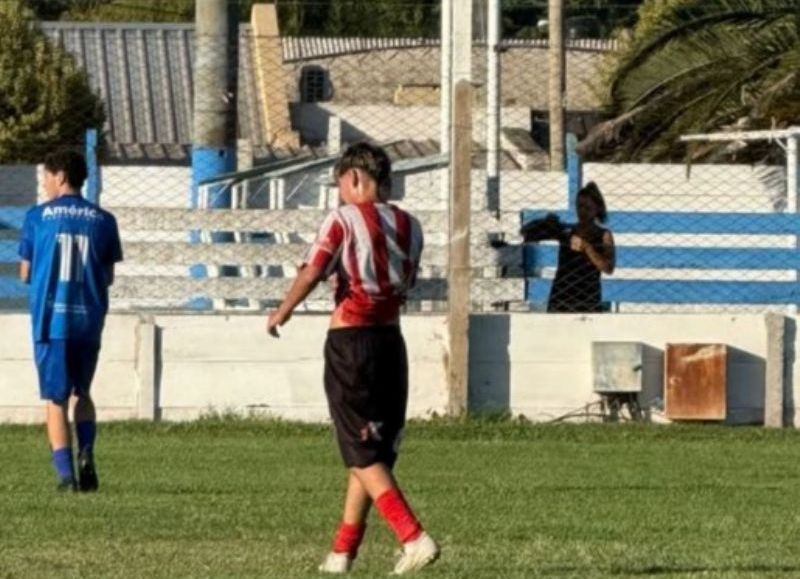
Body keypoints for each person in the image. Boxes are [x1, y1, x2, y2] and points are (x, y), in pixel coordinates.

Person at [266, 142, 439, 575]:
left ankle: (413, 537)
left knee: (361, 452)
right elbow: (407, 281)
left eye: (340, 183)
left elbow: (314, 269)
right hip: (391, 343)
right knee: (371, 450)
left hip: (351, 343)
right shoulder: (412, 226)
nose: (339, 192)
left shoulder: (343, 219)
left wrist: (282, 310)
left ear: (356, 178)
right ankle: (342, 552)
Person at [18, 150, 123, 492]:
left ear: (61, 176)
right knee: (84, 392)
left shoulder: (37, 217)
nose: (44, 183)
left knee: (55, 399)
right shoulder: (104, 220)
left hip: (52, 321)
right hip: (88, 321)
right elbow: (106, 276)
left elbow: (25, 274)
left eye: (46, 176)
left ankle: (66, 477)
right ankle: (87, 451)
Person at [521, 181, 615, 312]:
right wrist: (544, 223)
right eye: (580, 206)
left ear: (597, 209)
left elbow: (608, 268)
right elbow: (526, 233)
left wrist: (588, 248)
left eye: (588, 208)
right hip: (561, 296)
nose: (582, 211)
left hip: (588, 298)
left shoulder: (604, 235)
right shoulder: (566, 231)